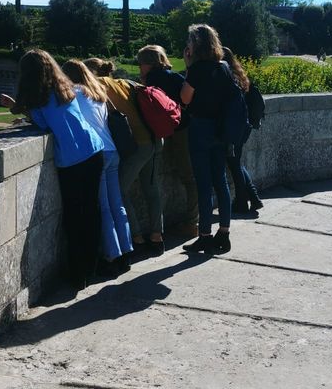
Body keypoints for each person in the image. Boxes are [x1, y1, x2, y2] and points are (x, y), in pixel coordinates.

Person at [0, 50, 104, 290]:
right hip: (93, 150)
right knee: (91, 211)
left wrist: (16, 108)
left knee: (74, 217)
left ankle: (78, 274)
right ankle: (91, 267)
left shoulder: (38, 99)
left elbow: (42, 122)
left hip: (72, 160)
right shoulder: (65, 89)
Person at [83, 57, 165, 256]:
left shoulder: (98, 84)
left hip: (137, 145)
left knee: (118, 190)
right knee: (151, 189)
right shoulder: (124, 82)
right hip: (153, 139)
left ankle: (136, 238)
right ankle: (157, 237)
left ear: (90, 73)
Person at [61, 59, 132, 277]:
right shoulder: (97, 93)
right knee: (117, 204)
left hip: (98, 153)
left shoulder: (73, 93)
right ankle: (126, 251)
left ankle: (112, 256)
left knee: (104, 207)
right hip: (113, 150)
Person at [180, 24, 233, 255]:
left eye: (190, 41)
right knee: (220, 181)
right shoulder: (224, 67)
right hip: (221, 129)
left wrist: (188, 67)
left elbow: (185, 99)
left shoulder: (197, 69)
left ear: (196, 44)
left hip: (201, 128)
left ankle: (205, 236)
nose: (187, 45)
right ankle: (224, 233)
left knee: (203, 184)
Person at [136, 45, 198, 239]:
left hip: (177, 131)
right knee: (189, 176)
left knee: (189, 176)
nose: (139, 67)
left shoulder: (153, 79)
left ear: (149, 63)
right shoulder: (173, 76)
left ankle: (192, 223)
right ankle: (193, 221)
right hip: (185, 126)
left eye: (141, 63)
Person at [221, 47, 263, 215]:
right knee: (236, 163)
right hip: (244, 126)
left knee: (234, 164)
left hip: (234, 127)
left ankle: (242, 202)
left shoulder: (227, 76)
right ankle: (253, 198)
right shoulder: (239, 75)